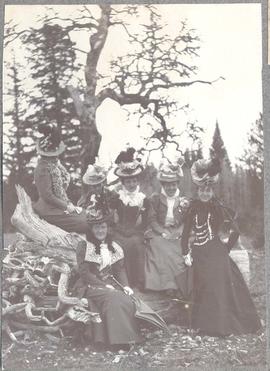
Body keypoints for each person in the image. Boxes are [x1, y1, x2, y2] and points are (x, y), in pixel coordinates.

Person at [181, 157, 262, 336]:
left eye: (208, 190)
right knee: (201, 281)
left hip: (216, 251)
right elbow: (185, 234)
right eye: (202, 190)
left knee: (217, 278)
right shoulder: (191, 208)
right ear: (198, 190)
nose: (205, 193)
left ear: (212, 191)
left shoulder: (217, 208)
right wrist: (185, 253)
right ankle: (203, 324)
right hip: (198, 252)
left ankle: (220, 325)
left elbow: (236, 230)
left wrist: (225, 248)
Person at [74, 203, 143, 351]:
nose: (100, 231)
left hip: (110, 283)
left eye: (103, 227)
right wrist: (103, 285)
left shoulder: (114, 246)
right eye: (97, 227)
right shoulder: (84, 246)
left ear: (107, 228)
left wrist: (126, 286)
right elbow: (84, 273)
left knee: (125, 297)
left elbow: (119, 270)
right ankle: (117, 341)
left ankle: (128, 337)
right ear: (91, 229)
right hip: (89, 285)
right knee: (113, 297)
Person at [144, 157, 190, 297]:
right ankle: (166, 285)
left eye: (173, 184)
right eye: (167, 185)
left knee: (179, 248)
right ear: (163, 185)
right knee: (159, 247)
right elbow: (152, 219)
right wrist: (162, 232)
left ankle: (180, 284)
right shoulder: (155, 199)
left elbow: (187, 221)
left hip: (178, 231)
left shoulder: (184, 201)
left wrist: (180, 232)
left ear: (177, 184)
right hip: (160, 231)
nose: (170, 187)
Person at [33, 123, 88, 233]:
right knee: (85, 223)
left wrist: (68, 205)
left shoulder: (56, 165)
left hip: (59, 207)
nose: (55, 156)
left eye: (55, 153)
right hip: (49, 211)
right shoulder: (43, 168)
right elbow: (47, 196)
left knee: (89, 215)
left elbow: (61, 188)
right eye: (52, 154)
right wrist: (66, 207)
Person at [109, 148, 149, 290]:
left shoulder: (142, 199)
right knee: (120, 247)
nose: (131, 184)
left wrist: (139, 230)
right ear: (123, 182)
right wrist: (117, 229)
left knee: (137, 246)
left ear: (137, 181)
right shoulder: (117, 198)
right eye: (128, 182)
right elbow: (112, 218)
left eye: (134, 181)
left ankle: (138, 282)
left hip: (136, 232)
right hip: (119, 232)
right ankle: (123, 282)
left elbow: (145, 222)